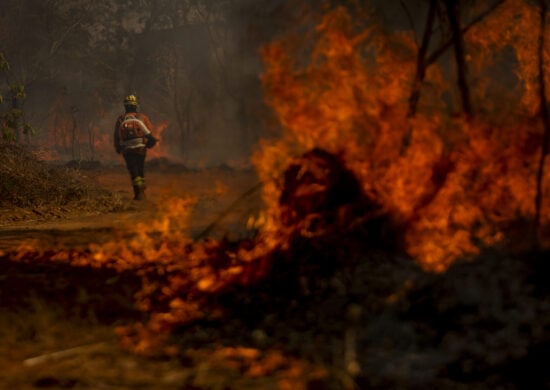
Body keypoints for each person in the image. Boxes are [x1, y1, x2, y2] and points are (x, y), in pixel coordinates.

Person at [114, 94, 157, 200]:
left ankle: (138, 192)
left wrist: (118, 148)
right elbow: (149, 133)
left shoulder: (121, 119)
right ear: (136, 106)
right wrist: (149, 143)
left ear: (125, 106)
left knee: (133, 170)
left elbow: (116, 136)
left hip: (127, 149)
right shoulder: (142, 117)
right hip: (141, 148)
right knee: (140, 167)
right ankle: (142, 190)